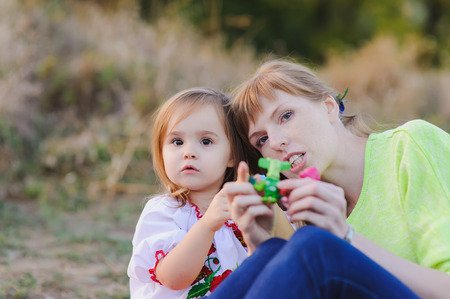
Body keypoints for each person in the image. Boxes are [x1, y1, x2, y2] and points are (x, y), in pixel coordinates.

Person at [209, 59, 450, 298]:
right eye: (261, 140)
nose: (274, 142)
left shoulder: (409, 147)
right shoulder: (308, 211)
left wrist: (346, 237)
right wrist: (259, 247)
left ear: (329, 107)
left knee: (314, 245)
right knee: (270, 252)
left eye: (286, 116)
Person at [127, 87, 294, 298]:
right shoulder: (164, 212)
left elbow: (292, 258)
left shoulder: (246, 204)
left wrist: (271, 210)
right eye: (177, 142)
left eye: (206, 141)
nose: (188, 153)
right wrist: (208, 224)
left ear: (232, 155)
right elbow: (173, 278)